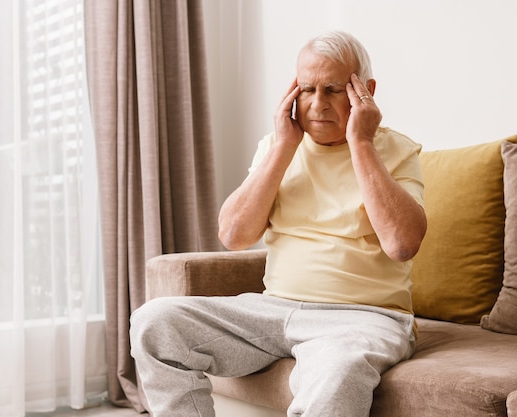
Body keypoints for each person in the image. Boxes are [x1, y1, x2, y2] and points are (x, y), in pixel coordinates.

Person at [130, 31, 427, 417]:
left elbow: (402, 244)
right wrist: (284, 146)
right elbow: (234, 236)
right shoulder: (277, 146)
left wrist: (362, 144)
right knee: (154, 322)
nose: (317, 104)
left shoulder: (396, 150)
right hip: (272, 312)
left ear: (365, 91)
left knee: (339, 370)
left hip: (365, 318)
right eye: (307, 89)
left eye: (334, 90)